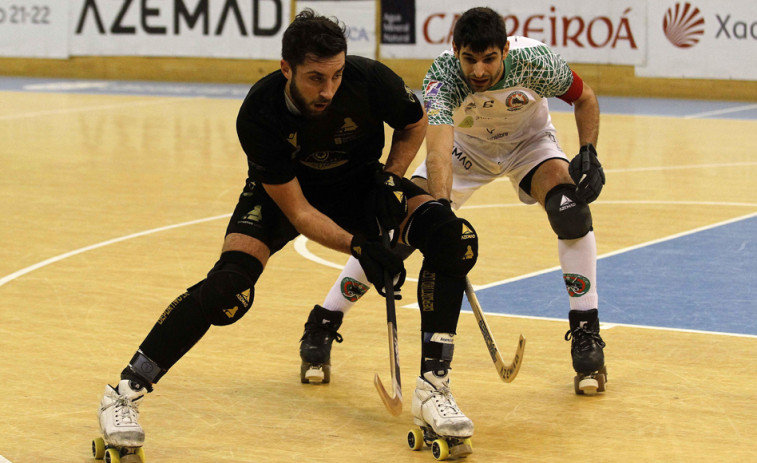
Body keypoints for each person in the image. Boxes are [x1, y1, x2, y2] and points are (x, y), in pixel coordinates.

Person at [96, 8, 480, 456]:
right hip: (281, 198)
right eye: (316, 78)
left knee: (453, 237)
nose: (328, 90)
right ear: (286, 69)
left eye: (336, 76)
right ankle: (122, 393)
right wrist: (360, 246)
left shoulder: (369, 79)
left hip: (359, 185)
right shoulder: (259, 112)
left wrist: (390, 176)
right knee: (228, 288)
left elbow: (414, 122)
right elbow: (299, 215)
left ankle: (433, 386)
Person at [300, 6, 608, 395]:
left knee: (570, 212)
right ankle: (323, 323)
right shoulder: (443, 77)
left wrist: (589, 152)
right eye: (469, 60)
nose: (479, 71)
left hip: (529, 146)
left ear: (507, 50)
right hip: (464, 152)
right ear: (455, 50)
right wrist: (440, 215)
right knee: (398, 233)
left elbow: (586, 98)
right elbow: (439, 151)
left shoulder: (537, 61)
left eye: (489, 60)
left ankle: (586, 332)